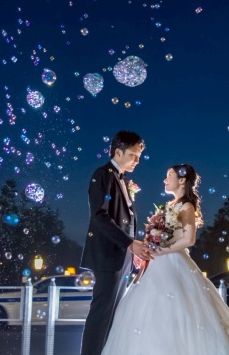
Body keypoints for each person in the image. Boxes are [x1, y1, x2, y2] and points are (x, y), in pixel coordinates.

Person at [102, 163, 229, 355]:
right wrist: (150, 246)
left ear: (182, 180)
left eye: (169, 175)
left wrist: (163, 249)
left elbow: (189, 239)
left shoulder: (186, 206)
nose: (165, 179)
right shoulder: (169, 206)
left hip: (173, 262)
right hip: (157, 263)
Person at [80, 131, 153, 355]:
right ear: (117, 152)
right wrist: (130, 243)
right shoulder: (103, 175)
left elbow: (125, 219)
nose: (137, 161)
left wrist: (133, 249)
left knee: (114, 314)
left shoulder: (121, 179)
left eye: (139, 156)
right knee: (101, 314)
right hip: (107, 255)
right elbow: (100, 216)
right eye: (133, 155)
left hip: (122, 256)